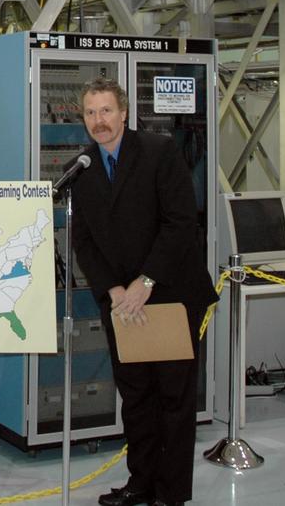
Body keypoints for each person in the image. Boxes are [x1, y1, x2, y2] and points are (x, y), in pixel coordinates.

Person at [67, 78, 216, 506]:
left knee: (173, 397)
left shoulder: (157, 152)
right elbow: (85, 243)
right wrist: (114, 289)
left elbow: (180, 222)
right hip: (122, 303)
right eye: (91, 113)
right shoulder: (83, 169)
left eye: (107, 111)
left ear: (125, 113)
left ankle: (170, 494)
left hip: (169, 294)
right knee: (135, 396)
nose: (100, 120)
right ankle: (140, 484)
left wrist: (144, 281)